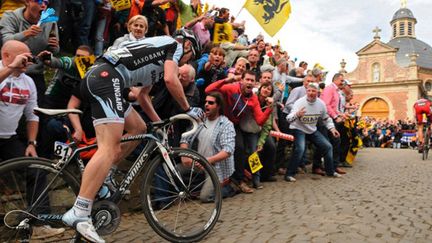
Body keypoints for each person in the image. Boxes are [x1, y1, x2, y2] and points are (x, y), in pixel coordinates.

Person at [62, 29, 204, 243]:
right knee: (109, 148)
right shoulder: (172, 45)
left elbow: (142, 95)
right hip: (106, 78)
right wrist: (188, 109)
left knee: (138, 129)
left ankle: (106, 173)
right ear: (188, 46)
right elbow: (170, 79)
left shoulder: (157, 56)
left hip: (105, 78)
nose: (186, 61)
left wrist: (158, 124)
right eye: (189, 56)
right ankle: (80, 212)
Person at [0, 40, 65, 239]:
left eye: (29, 57)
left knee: (37, 170)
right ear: (6, 56)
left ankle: (38, 224)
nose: (27, 61)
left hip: (9, 139)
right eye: (23, 57)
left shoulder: (28, 82)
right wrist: (10, 68)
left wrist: (31, 143)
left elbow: (32, 115)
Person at [205, 70, 273, 194]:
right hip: (225, 123)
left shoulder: (255, 99)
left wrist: (269, 108)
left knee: (248, 150)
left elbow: (260, 121)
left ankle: (249, 180)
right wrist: (226, 80)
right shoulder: (232, 88)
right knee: (238, 148)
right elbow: (208, 90)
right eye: (247, 79)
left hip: (245, 129)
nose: (249, 82)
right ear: (241, 80)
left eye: (252, 81)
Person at [0, 0, 60, 104]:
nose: (43, 5)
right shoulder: (10, 17)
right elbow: (6, 41)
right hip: (10, 71)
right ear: (27, 2)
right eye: (39, 1)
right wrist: (26, 33)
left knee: (37, 112)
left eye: (46, 2)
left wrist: (54, 46)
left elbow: (55, 51)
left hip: (35, 73)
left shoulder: (50, 21)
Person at [180, 92, 236, 201]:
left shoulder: (226, 124)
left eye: (210, 103)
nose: (206, 104)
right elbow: (185, 137)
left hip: (215, 167)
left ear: (218, 106)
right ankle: (201, 186)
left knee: (205, 197)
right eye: (205, 102)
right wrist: (184, 154)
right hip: (199, 163)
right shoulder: (200, 120)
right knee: (175, 171)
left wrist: (208, 160)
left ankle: (229, 187)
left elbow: (228, 150)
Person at [285, 83, 342, 182]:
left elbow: (326, 119)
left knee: (328, 146)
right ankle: (289, 174)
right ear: (306, 91)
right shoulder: (299, 102)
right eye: (309, 91)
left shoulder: (321, 104)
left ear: (318, 92)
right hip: (298, 128)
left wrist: (332, 129)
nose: (311, 93)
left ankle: (330, 171)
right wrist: (297, 114)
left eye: (313, 91)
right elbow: (288, 119)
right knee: (300, 148)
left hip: (311, 129)